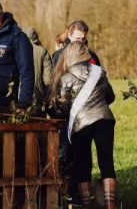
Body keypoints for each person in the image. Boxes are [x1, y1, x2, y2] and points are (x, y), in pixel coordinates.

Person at [50, 41, 117, 209]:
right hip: (105, 121)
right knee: (107, 164)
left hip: (81, 124)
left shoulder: (65, 77)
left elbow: (63, 108)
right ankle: (111, 205)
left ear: (69, 55)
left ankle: (87, 205)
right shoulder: (99, 72)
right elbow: (110, 96)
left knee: (83, 165)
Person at [22, 26, 53, 109]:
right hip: (38, 95)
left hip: (20, 94)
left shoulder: (17, 49)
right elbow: (48, 79)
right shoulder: (42, 51)